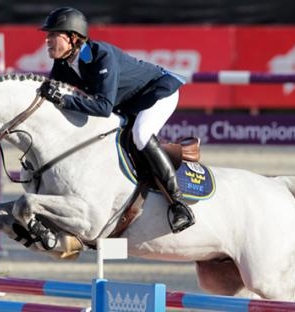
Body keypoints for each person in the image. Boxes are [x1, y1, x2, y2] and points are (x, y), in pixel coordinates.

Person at [38, 7, 194, 233]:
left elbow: (102, 107)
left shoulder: (101, 55)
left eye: (53, 34)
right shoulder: (62, 65)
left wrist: (64, 101)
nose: (47, 39)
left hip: (159, 91)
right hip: (128, 103)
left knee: (140, 135)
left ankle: (178, 204)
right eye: (48, 35)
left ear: (72, 38)